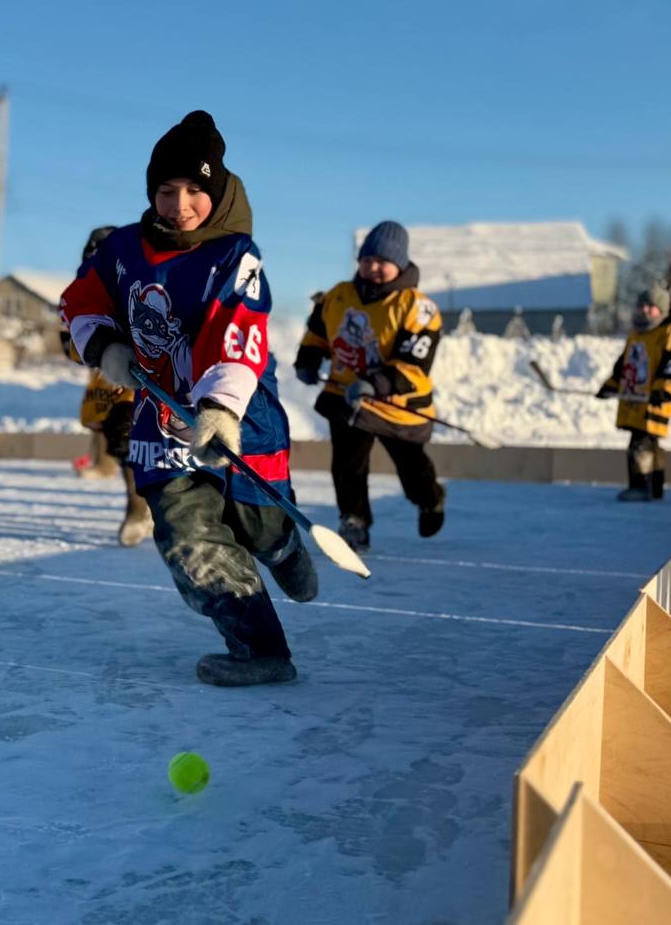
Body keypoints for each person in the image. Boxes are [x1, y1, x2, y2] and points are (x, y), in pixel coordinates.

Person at [59, 110, 317, 687]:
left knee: (255, 523)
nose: (180, 204)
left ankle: (282, 548)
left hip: (239, 419)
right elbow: (81, 297)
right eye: (167, 190)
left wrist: (221, 407)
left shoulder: (234, 256)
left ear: (217, 191)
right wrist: (104, 345)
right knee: (187, 538)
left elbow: (238, 330)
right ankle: (259, 649)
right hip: (160, 419)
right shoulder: (123, 250)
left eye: (195, 189)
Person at [293, 221, 445, 553]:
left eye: (382, 261)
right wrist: (307, 360)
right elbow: (317, 333)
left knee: (412, 467)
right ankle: (354, 521)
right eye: (367, 260)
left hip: (398, 405)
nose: (373, 267)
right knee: (348, 464)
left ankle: (430, 499)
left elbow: (414, 364)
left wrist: (373, 384)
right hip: (345, 397)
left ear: (400, 264)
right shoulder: (338, 296)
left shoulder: (418, 308)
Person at [64, 225, 152, 546]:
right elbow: (70, 340)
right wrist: (90, 346)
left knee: (140, 442)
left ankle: (144, 508)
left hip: (146, 381)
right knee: (117, 435)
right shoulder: (82, 292)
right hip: (108, 381)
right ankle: (138, 506)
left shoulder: (139, 282)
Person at [596, 285, 671, 501]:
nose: (645, 310)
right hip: (633, 400)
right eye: (641, 305)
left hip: (653, 401)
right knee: (649, 442)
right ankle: (655, 489)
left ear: (662, 309)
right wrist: (610, 385)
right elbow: (623, 366)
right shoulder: (637, 335)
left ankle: (640, 487)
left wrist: (664, 390)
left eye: (651, 306)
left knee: (640, 443)